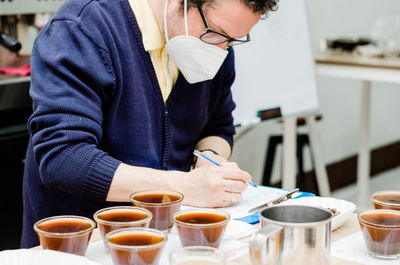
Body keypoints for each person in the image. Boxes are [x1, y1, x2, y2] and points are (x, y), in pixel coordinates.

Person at [21, 0, 278, 247]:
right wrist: (184, 187)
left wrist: (209, 158)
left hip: (165, 239)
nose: (221, 49)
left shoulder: (212, 48)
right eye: (218, 33)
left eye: (233, 41)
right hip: (79, 243)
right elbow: (64, 159)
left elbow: (218, 126)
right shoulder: (83, 27)